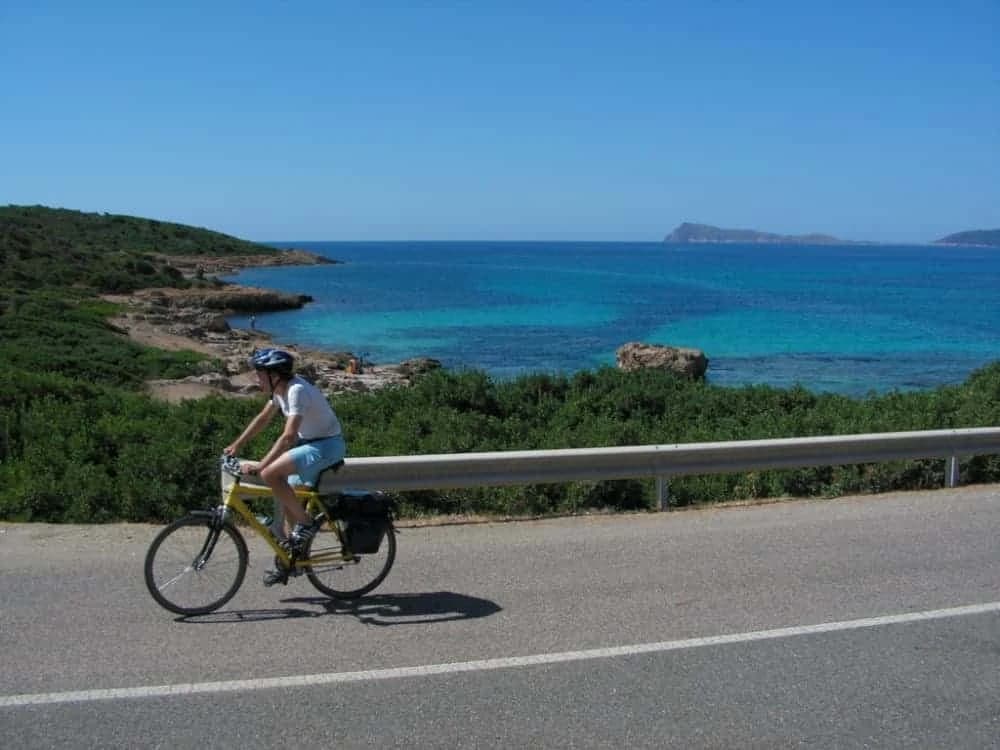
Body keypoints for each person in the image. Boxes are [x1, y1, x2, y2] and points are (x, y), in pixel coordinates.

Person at [224, 348, 346, 585]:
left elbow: (288, 436)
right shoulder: (280, 391)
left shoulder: (297, 391)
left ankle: (308, 525)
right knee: (291, 498)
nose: (256, 379)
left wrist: (262, 465)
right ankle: (294, 561)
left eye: (260, 374)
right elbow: (262, 419)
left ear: (275, 375)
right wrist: (236, 445)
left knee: (271, 474)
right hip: (310, 444)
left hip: (327, 446)